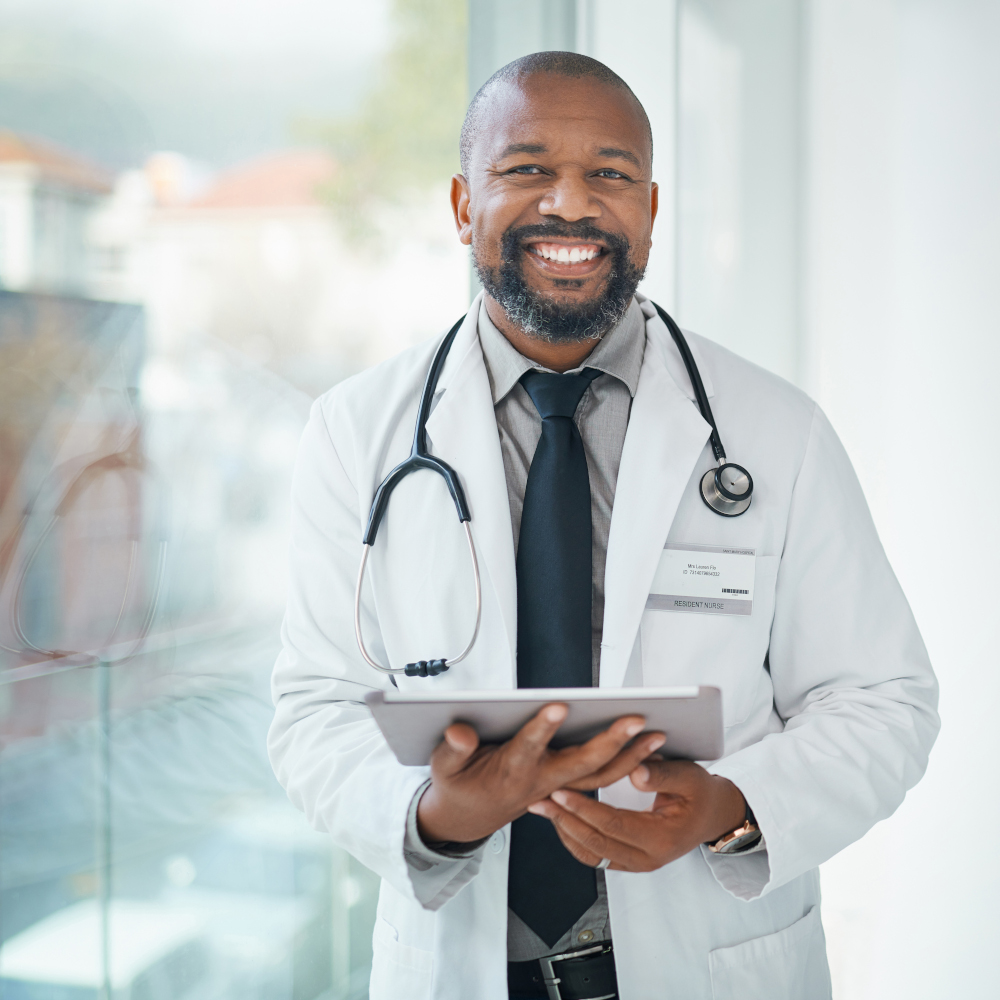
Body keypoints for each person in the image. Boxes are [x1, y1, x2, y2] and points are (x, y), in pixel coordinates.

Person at [268, 52, 939, 1000]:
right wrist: (433, 814)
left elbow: (883, 699)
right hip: (460, 962)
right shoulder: (353, 432)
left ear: (651, 211)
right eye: (528, 169)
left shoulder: (775, 430)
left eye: (609, 174)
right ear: (464, 203)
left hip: (712, 956)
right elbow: (313, 710)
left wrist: (732, 807)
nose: (571, 206)